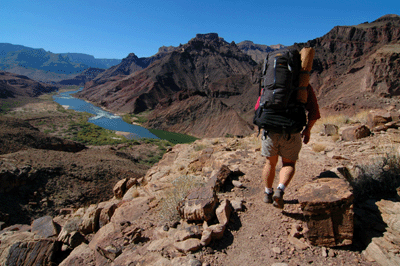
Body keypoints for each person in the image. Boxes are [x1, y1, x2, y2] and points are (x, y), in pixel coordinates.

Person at [262, 84, 321, 209]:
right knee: (288, 164)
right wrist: (308, 130)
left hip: (270, 130)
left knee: (269, 163)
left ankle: (268, 193)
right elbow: (314, 112)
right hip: (292, 131)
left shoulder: (270, 81)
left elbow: (259, 106)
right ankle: (280, 190)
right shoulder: (303, 84)